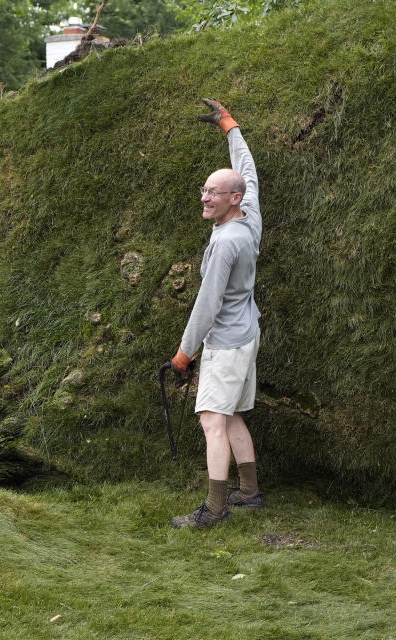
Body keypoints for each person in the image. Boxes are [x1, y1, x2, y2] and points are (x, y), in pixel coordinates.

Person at [170, 98, 264, 529]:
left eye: (213, 192)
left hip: (226, 341)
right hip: (247, 333)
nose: (204, 197)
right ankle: (249, 492)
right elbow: (248, 169)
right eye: (204, 190)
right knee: (233, 415)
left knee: (212, 420)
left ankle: (215, 507)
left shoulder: (226, 243)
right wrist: (230, 127)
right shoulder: (250, 215)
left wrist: (184, 354)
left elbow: (207, 305)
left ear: (234, 198)